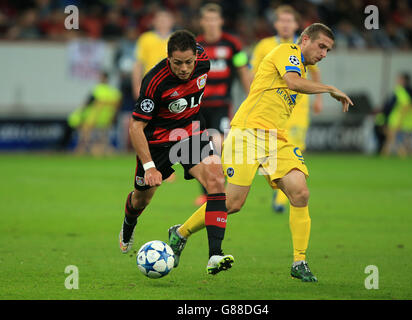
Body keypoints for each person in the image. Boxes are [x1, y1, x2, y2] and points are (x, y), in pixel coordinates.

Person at [168, 23, 353, 282]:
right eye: (321, 46)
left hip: (276, 138)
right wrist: (329, 88)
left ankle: (299, 261)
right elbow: (292, 82)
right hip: (248, 133)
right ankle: (181, 233)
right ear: (305, 39)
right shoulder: (288, 51)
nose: (323, 53)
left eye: (328, 50)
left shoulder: (303, 67)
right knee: (232, 203)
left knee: (300, 192)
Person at [119, 30, 234, 275]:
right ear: (168, 57)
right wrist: (149, 167)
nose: (184, 68)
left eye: (188, 62)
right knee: (142, 199)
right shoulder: (154, 82)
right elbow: (136, 127)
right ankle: (129, 223)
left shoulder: (204, 61)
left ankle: (215, 254)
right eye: (177, 62)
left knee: (215, 180)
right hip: (158, 142)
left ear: (196, 56)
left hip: (191, 132)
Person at [251, 5, 323, 213]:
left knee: (296, 148)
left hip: (297, 108)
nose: (285, 24)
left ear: (296, 25)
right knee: (268, 151)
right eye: (281, 20)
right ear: (275, 24)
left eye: (289, 21)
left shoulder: (303, 47)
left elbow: (315, 73)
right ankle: (279, 186)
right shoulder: (264, 46)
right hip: (271, 108)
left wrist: (319, 99)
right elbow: (253, 72)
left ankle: (281, 198)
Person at [194, 3, 252, 206]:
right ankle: (207, 193)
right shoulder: (195, 45)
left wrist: (252, 97)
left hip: (221, 105)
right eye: (207, 19)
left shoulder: (233, 45)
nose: (210, 23)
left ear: (220, 21)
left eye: (214, 19)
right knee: (200, 150)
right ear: (202, 22)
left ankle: (219, 188)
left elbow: (244, 70)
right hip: (198, 106)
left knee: (216, 143)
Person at [71, 71, 122, 155]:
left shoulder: (97, 90)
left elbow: (87, 104)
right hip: (106, 120)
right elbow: (118, 105)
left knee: (83, 129)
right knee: (102, 136)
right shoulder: (113, 92)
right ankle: (101, 148)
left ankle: (84, 148)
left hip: (94, 118)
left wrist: (80, 113)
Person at [132, 9, 175, 100]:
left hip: (173, 87)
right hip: (149, 87)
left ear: (172, 21)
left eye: (165, 19)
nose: (162, 22)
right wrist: (136, 86)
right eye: (159, 19)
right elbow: (138, 64)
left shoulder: (177, 39)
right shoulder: (145, 38)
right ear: (154, 22)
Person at [380, 73, 412, 157]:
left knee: (392, 138)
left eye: (399, 79)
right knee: (402, 140)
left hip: (397, 118)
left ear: (403, 80)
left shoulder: (400, 90)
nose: (396, 81)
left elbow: (405, 105)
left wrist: (401, 118)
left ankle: (401, 153)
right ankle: (388, 154)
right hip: (409, 120)